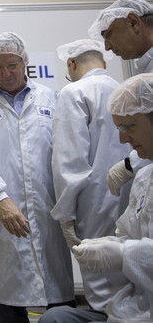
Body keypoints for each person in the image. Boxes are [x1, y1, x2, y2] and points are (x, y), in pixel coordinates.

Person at [0, 32, 75, 323]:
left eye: (12, 65)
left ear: (25, 62)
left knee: (57, 290)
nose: (6, 73)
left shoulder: (50, 97)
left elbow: (66, 152)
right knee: (9, 290)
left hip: (48, 205)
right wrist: (0, 198)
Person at [39, 73, 153, 323]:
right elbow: (127, 233)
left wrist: (124, 254)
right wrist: (110, 244)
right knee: (55, 318)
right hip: (136, 308)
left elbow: (68, 161)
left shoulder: (74, 93)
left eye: (129, 126)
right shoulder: (144, 179)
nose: (123, 139)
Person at [50, 39, 130, 312]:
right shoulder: (126, 90)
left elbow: (69, 160)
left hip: (93, 200)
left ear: (72, 64)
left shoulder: (74, 93)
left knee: (100, 279)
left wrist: (65, 215)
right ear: (104, 63)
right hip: (133, 194)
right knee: (128, 272)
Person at [88, 0, 153, 214]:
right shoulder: (145, 65)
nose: (106, 46)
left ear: (134, 22)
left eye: (108, 34)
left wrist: (130, 164)